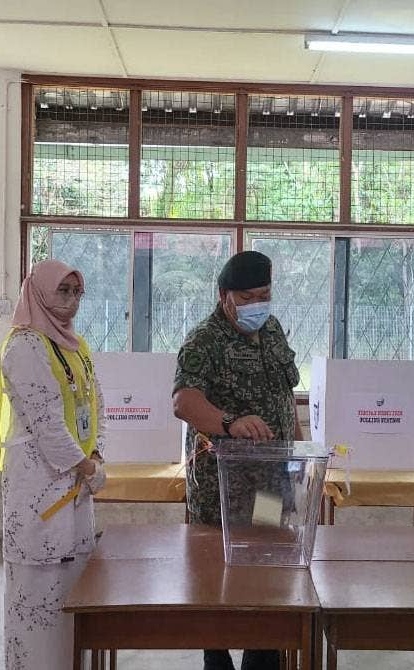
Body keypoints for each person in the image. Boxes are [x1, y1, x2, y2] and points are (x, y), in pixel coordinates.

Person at [0, 259, 107, 670]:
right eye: (61, 292)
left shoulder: (75, 345)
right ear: (38, 292)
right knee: (37, 593)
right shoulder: (24, 346)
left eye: (76, 293)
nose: (70, 302)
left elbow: (94, 404)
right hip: (40, 483)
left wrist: (96, 453)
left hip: (77, 482)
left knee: (72, 589)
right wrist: (86, 467)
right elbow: (46, 422)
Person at [173, 250, 301, 670]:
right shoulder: (203, 341)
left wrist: (296, 450)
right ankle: (217, 658)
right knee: (216, 580)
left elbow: (285, 397)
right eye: (247, 298)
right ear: (224, 295)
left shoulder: (274, 330)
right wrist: (230, 422)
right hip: (222, 491)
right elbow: (184, 402)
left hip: (268, 486)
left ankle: (262, 657)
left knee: (266, 571)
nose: (257, 305)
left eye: (264, 295)